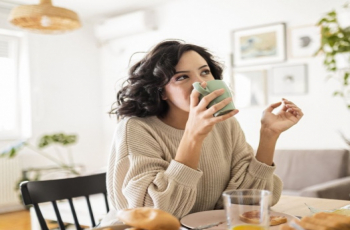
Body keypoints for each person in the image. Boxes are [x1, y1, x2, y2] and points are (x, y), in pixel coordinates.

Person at [107, 40, 303, 219]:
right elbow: (153, 214)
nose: (201, 84)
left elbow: (250, 202)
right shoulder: (136, 129)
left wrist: (268, 135)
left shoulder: (225, 124)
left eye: (205, 72)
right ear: (162, 91)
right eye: (182, 77)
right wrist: (193, 136)